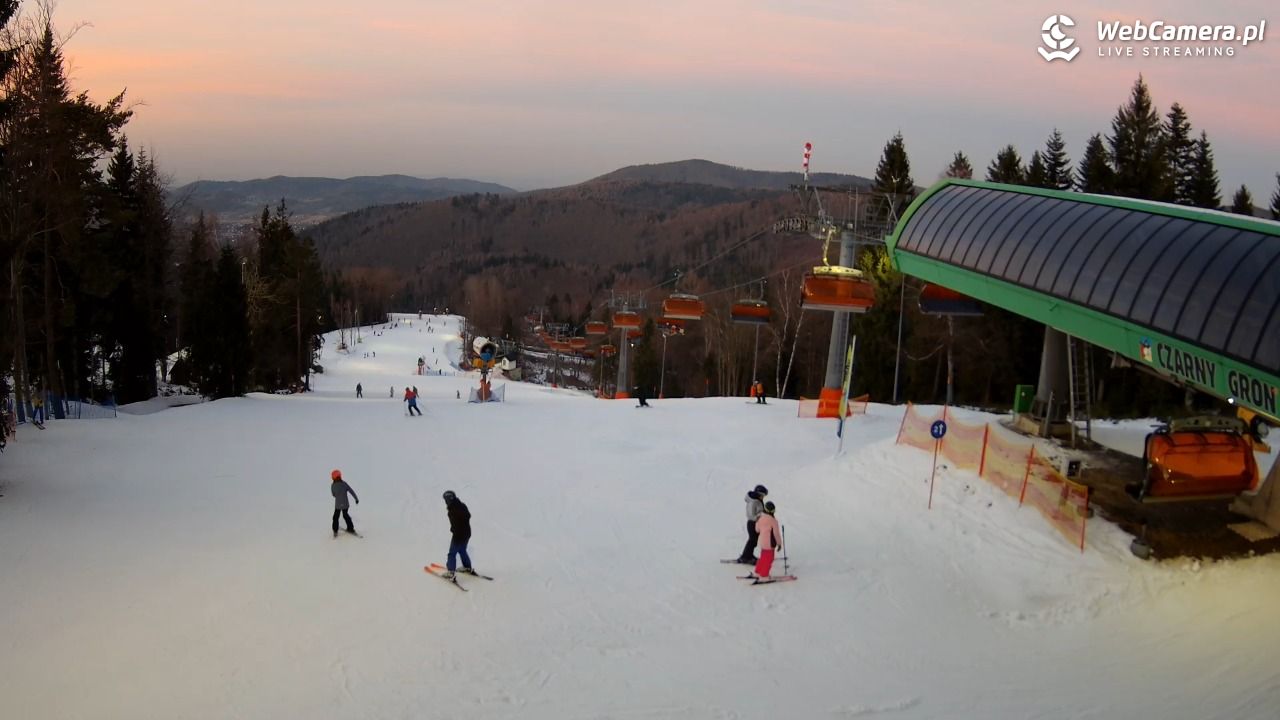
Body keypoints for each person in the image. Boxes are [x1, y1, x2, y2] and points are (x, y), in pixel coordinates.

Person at [441, 490, 473, 579]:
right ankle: (467, 567)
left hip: (458, 536)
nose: (445, 502)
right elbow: (468, 515)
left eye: (445, 500)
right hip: (467, 533)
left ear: (448, 500)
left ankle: (451, 572)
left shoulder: (451, 511)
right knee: (462, 550)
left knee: (452, 554)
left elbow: (455, 526)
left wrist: (453, 530)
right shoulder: (462, 505)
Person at [737, 485, 768, 564]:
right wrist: (761, 514)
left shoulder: (757, 500)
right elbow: (751, 515)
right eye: (762, 495)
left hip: (756, 523)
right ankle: (745, 557)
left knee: (754, 541)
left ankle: (749, 555)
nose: (763, 497)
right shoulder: (753, 502)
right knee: (752, 540)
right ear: (758, 494)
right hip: (752, 523)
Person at [753, 501, 782, 579]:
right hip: (770, 544)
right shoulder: (773, 521)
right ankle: (764, 574)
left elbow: (757, 530)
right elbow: (776, 534)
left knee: (763, 558)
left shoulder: (760, 518)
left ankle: (758, 571)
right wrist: (779, 544)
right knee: (769, 559)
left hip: (762, 542)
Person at [330, 469, 359, 537]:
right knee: (345, 515)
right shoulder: (344, 484)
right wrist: (356, 499)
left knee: (335, 517)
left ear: (333, 477)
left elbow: (333, 494)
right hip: (345, 505)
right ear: (340, 476)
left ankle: (335, 530)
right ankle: (351, 528)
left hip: (338, 505)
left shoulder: (333, 485)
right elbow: (351, 491)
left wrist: (337, 495)